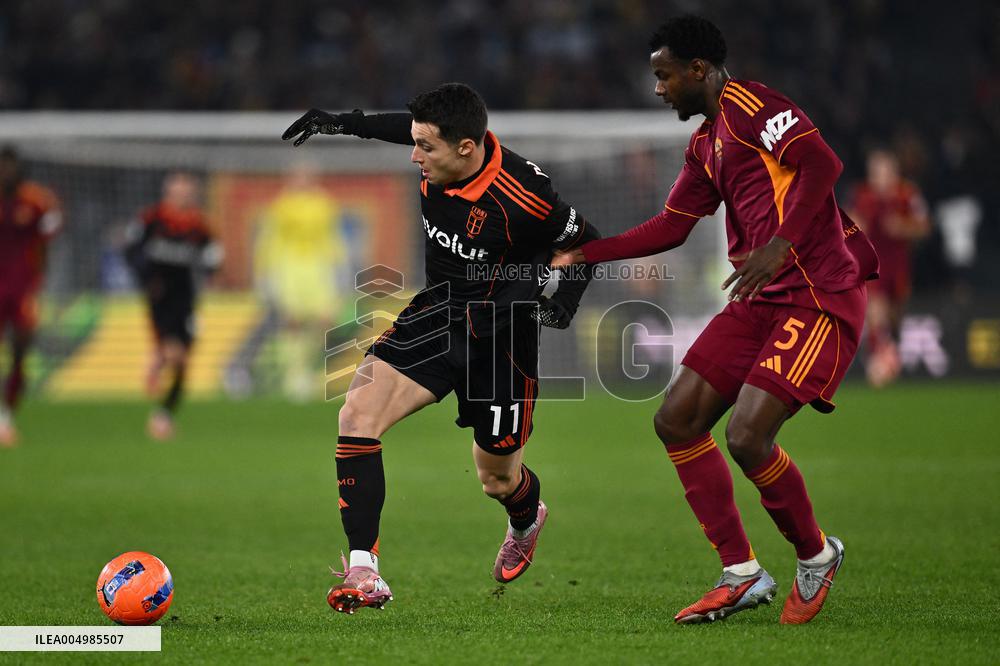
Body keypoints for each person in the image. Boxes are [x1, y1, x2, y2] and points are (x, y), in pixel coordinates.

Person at [554, 16, 878, 625]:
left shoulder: (754, 106)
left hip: (814, 295)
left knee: (748, 437)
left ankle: (816, 555)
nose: (658, 88)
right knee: (676, 420)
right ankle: (742, 572)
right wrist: (585, 253)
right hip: (757, 298)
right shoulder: (706, 144)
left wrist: (781, 244)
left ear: (697, 69)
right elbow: (671, 227)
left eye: (664, 75)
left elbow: (823, 166)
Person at [282, 83, 600, 613]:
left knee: (497, 478)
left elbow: (583, 240)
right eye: (415, 143)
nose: (414, 156)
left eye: (425, 147)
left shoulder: (524, 194)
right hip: (437, 315)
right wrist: (342, 121)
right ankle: (364, 570)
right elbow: (400, 131)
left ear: (466, 149)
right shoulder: (439, 155)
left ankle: (526, 518)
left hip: (503, 336)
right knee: (357, 412)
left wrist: (563, 303)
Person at [125, 172, 222, 440]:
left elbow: (213, 255)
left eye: (187, 192)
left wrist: (212, 272)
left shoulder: (199, 225)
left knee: (183, 364)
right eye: (178, 191)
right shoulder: (151, 219)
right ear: (168, 192)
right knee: (175, 354)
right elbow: (131, 249)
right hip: (159, 297)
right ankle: (159, 360)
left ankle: (163, 415)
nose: (183, 196)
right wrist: (145, 279)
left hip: (187, 299)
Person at [255, 162, 348, 400]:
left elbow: (332, 236)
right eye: (297, 176)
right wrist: (264, 274)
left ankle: (304, 368)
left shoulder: (324, 203)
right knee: (293, 322)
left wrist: (341, 267)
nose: (302, 181)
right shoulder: (281, 205)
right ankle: (293, 375)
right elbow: (270, 239)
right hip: (289, 266)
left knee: (324, 319)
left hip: (318, 266)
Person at [847, 148, 930, 387]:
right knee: (876, 311)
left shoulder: (908, 194)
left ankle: (888, 354)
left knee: (893, 318)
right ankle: (878, 363)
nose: (881, 177)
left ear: (894, 172)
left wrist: (902, 227)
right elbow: (845, 223)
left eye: (885, 171)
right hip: (872, 266)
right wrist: (855, 226)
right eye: (876, 172)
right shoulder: (862, 195)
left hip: (899, 268)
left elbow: (924, 226)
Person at [0, 146, 63, 446]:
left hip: (24, 288)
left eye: (10, 166)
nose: (6, 172)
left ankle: (6, 417)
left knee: (20, 352)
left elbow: (51, 232)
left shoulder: (35, 200)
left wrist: (41, 277)